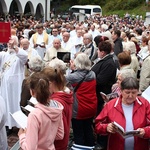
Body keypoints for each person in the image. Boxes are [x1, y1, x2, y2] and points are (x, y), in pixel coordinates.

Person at [95, 77, 150, 150]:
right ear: (121, 91)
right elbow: (98, 125)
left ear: (138, 91)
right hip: (116, 146)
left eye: (134, 93)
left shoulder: (145, 104)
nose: (130, 96)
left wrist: (145, 132)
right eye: (127, 92)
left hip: (140, 146)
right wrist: (107, 127)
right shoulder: (111, 105)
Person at [18, 72, 64, 150]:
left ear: (32, 92)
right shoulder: (57, 107)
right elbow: (60, 134)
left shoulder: (34, 115)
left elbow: (30, 148)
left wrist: (22, 136)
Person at [66, 53, 97, 147]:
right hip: (91, 105)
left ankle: (80, 147)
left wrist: (71, 69)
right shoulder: (92, 74)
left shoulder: (73, 77)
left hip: (79, 108)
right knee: (88, 129)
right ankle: (90, 146)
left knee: (78, 132)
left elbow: (65, 81)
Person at [41, 67, 73, 150]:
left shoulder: (56, 103)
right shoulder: (65, 94)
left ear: (50, 83)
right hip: (62, 142)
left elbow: (58, 130)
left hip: (55, 144)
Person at [0, 36, 28, 132]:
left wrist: (15, 47)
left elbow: (24, 56)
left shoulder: (20, 55)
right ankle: (7, 124)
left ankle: (18, 124)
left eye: (12, 42)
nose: (9, 44)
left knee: (15, 103)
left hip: (16, 86)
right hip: (4, 86)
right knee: (5, 104)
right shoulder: (3, 54)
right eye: (8, 42)